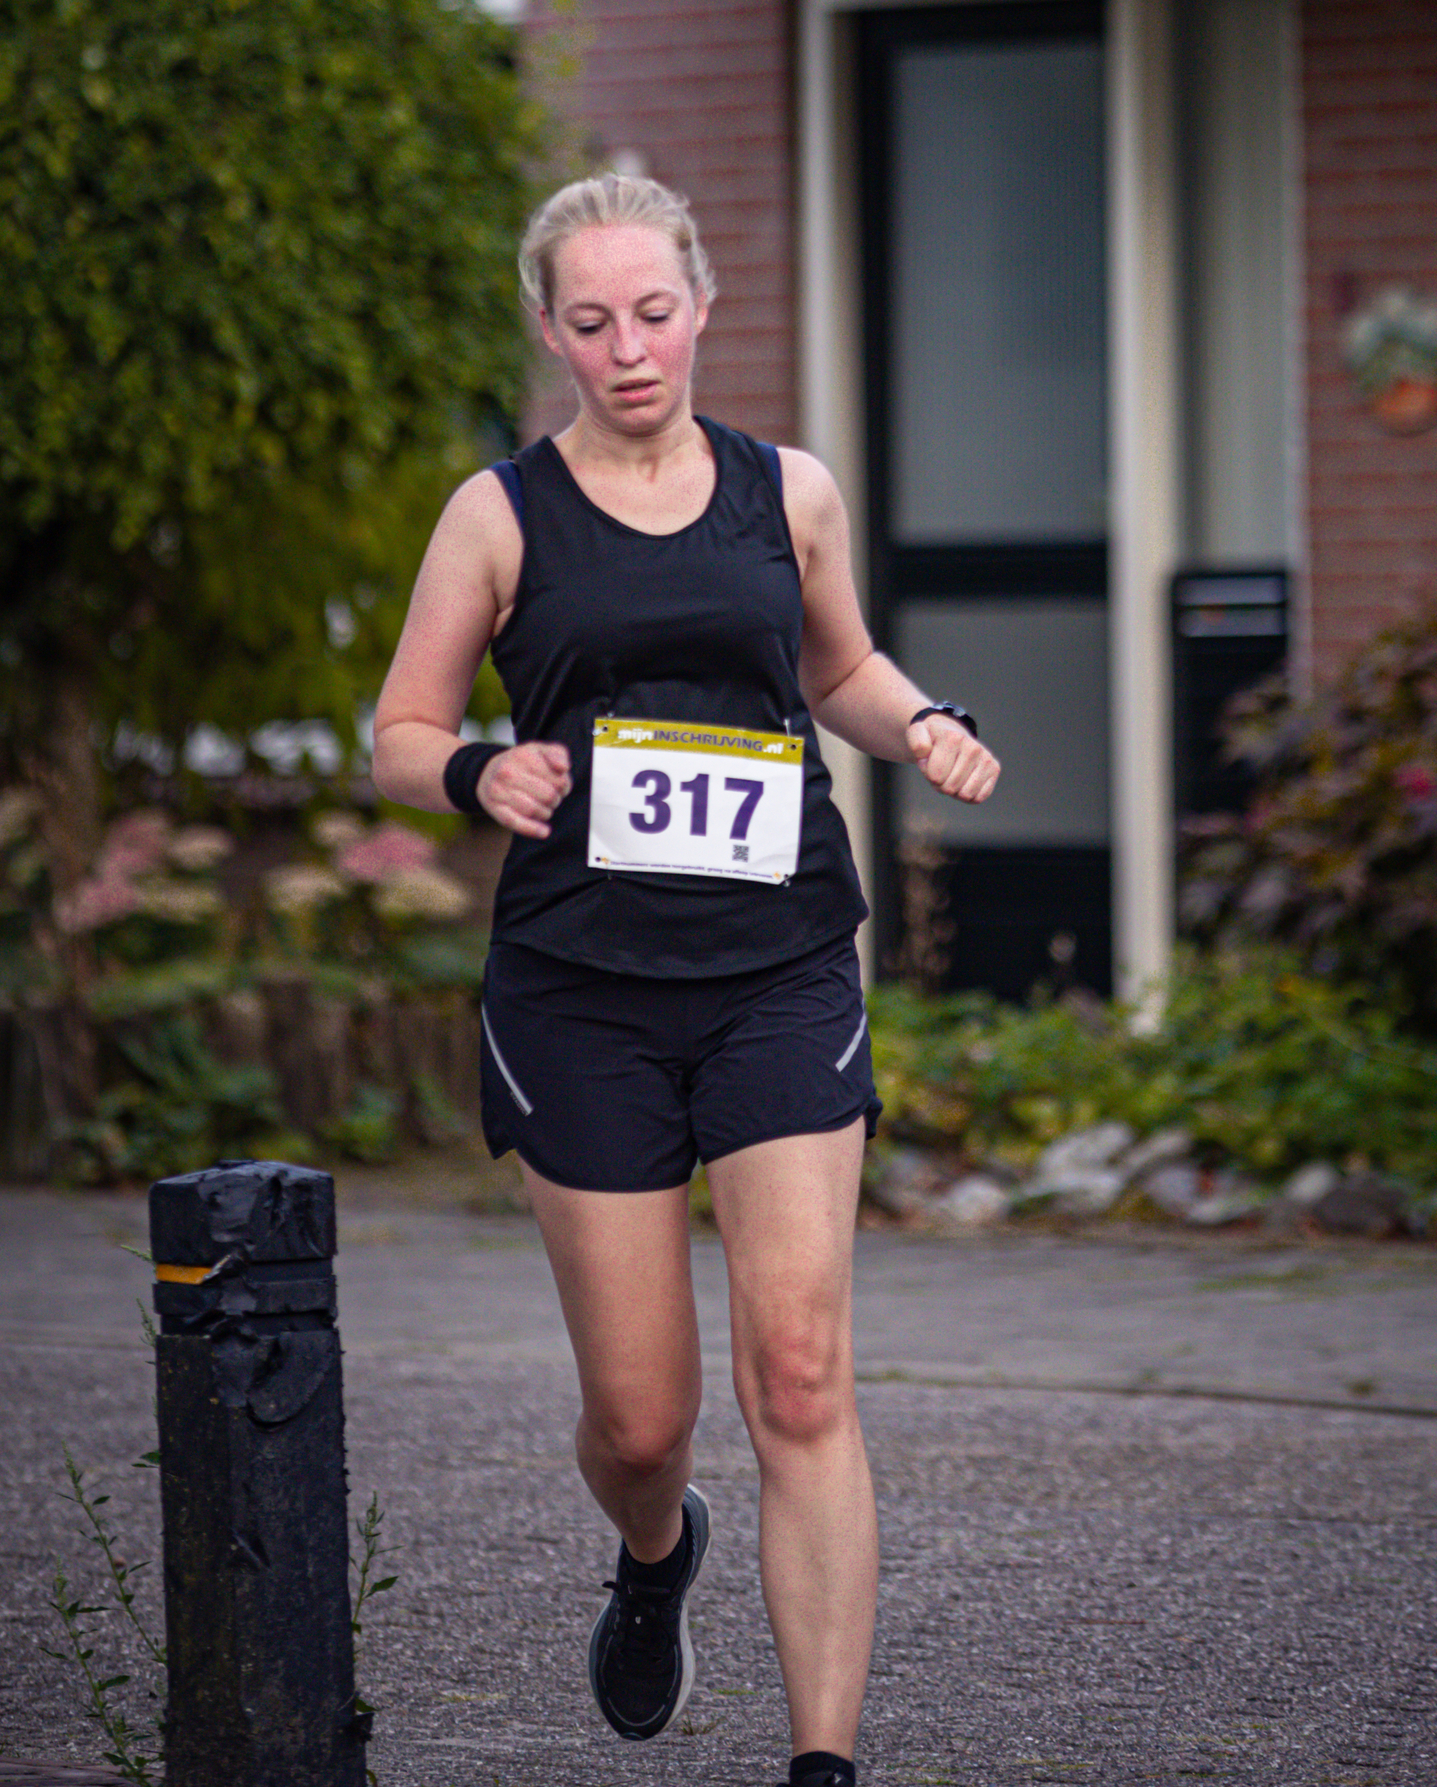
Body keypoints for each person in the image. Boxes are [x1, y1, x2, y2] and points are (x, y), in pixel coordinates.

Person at [372, 171, 998, 1787]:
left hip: (779, 960)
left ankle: (822, 1764)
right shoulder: (498, 513)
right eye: (592, 321)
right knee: (643, 1423)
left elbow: (836, 666)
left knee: (800, 1371)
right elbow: (403, 730)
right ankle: (656, 1556)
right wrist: (475, 783)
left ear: (703, 305)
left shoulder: (786, 492)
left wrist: (921, 722)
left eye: (654, 312)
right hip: (581, 987)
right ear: (549, 330)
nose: (629, 347)